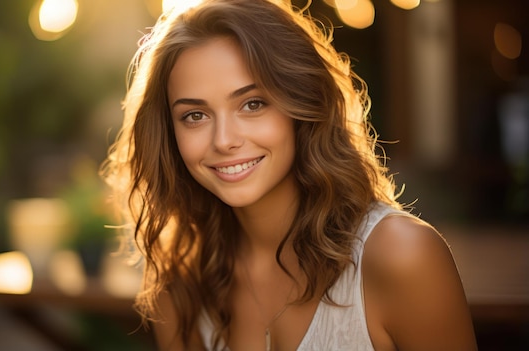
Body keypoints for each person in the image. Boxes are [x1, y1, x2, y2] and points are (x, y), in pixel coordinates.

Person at [102, 0, 477, 350]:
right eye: (194, 116)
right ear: (170, 132)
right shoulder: (180, 287)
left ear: (303, 104)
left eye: (253, 104)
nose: (224, 141)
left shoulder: (403, 256)